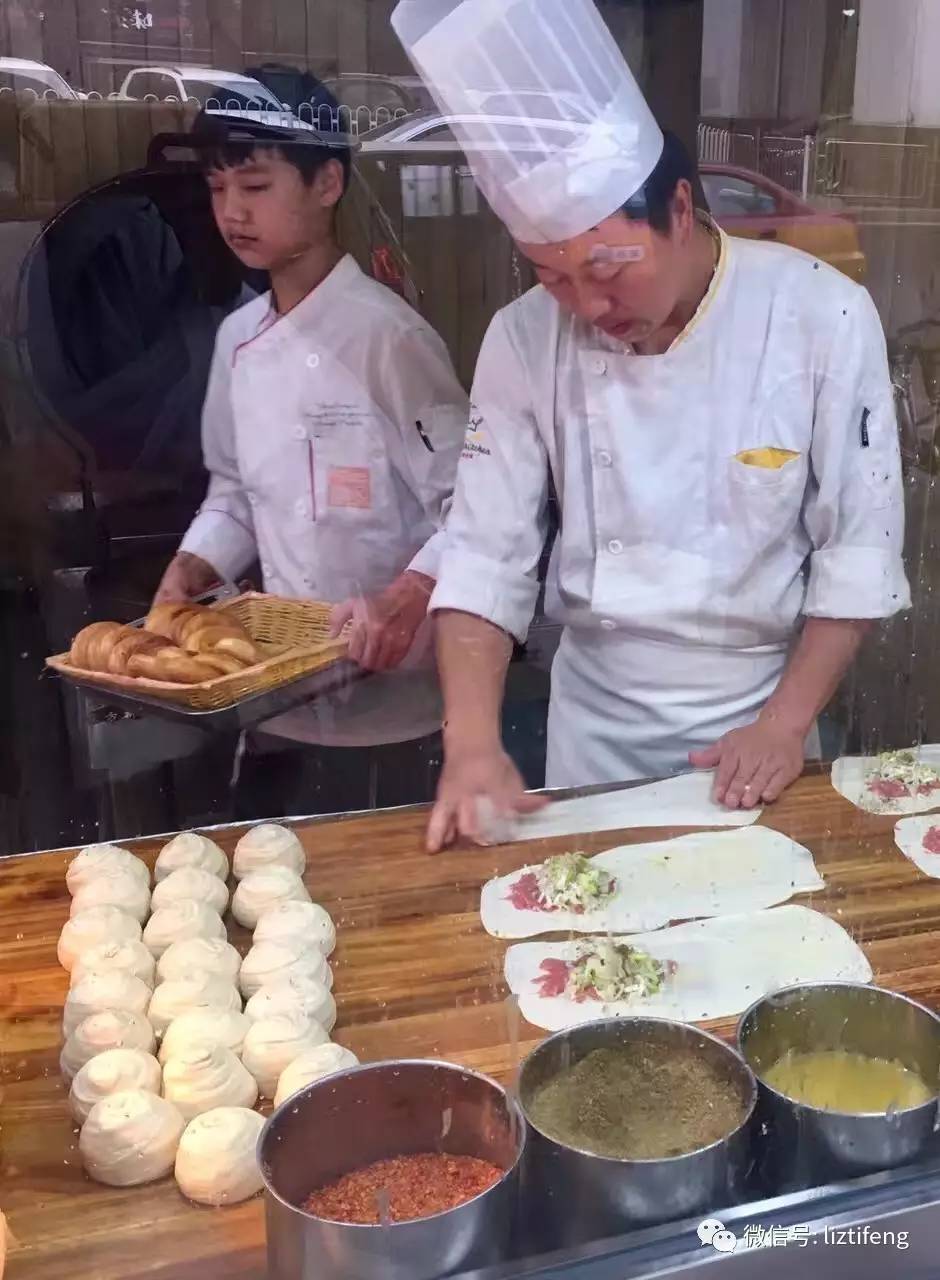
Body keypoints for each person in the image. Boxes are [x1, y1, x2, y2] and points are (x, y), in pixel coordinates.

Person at [389, 0, 910, 850]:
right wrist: (473, 742)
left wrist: (783, 724)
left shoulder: (820, 314)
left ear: (678, 208)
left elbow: (857, 548)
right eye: (553, 277)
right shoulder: (522, 337)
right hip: (593, 728)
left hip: (761, 725)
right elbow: (485, 552)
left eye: (606, 270)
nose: (588, 307)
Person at [155, 110, 468, 813]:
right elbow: (234, 495)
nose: (233, 212)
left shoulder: (388, 338)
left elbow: (474, 506)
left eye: (256, 186)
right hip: (274, 699)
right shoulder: (238, 339)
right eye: (218, 189)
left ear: (327, 183)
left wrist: (404, 597)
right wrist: (186, 575)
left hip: (397, 708)